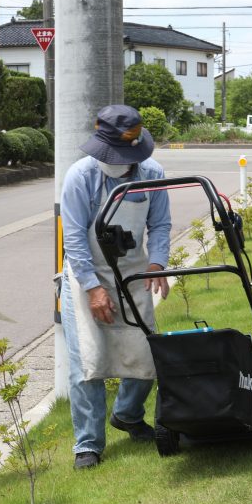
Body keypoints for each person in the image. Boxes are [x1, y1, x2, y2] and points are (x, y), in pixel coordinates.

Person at [60, 104, 172, 470]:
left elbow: (160, 224)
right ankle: (87, 445)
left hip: (132, 271)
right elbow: (74, 237)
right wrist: (93, 288)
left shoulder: (152, 173)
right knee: (87, 361)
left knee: (146, 348)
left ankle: (127, 413)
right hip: (85, 272)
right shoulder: (80, 176)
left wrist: (157, 263)